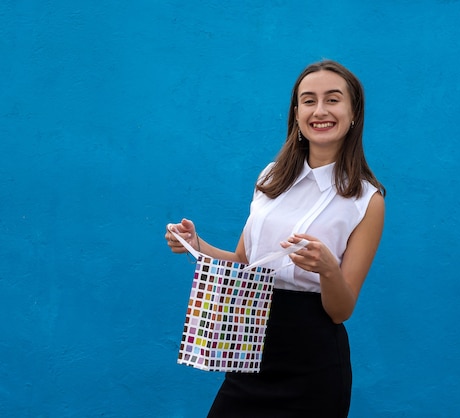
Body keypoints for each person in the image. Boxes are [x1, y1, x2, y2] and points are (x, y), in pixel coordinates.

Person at [165, 60, 385, 417]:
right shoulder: (271, 178)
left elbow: (341, 309)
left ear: (354, 112)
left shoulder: (367, 201)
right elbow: (243, 264)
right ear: (296, 113)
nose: (320, 110)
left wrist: (328, 268)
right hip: (250, 347)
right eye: (309, 100)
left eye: (333, 99)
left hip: (314, 362)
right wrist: (196, 244)